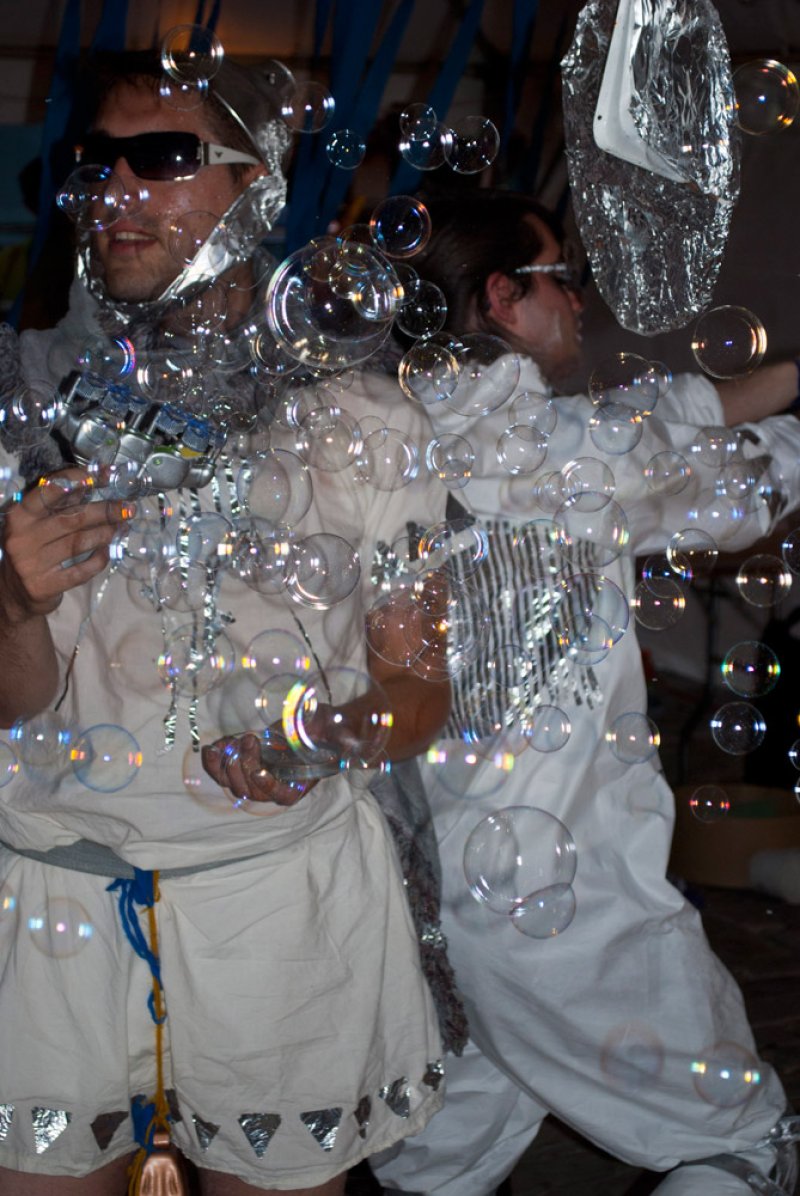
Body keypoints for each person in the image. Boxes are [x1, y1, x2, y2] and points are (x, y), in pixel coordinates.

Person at [0, 51, 452, 1196]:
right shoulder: (33, 403)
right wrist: (11, 597)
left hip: (272, 902)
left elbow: (418, 687)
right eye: (96, 161)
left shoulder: (366, 420)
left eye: (163, 157)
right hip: (54, 887)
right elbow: (18, 696)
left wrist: (318, 739)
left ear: (255, 184)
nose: (118, 189)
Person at [371, 190, 800, 1196]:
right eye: (564, 277)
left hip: (441, 888)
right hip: (571, 898)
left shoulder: (411, 429)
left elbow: (648, 423)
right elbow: (718, 482)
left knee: (439, 1160)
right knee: (733, 1138)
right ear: (501, 296)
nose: (579, 302)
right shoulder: (556, 457)